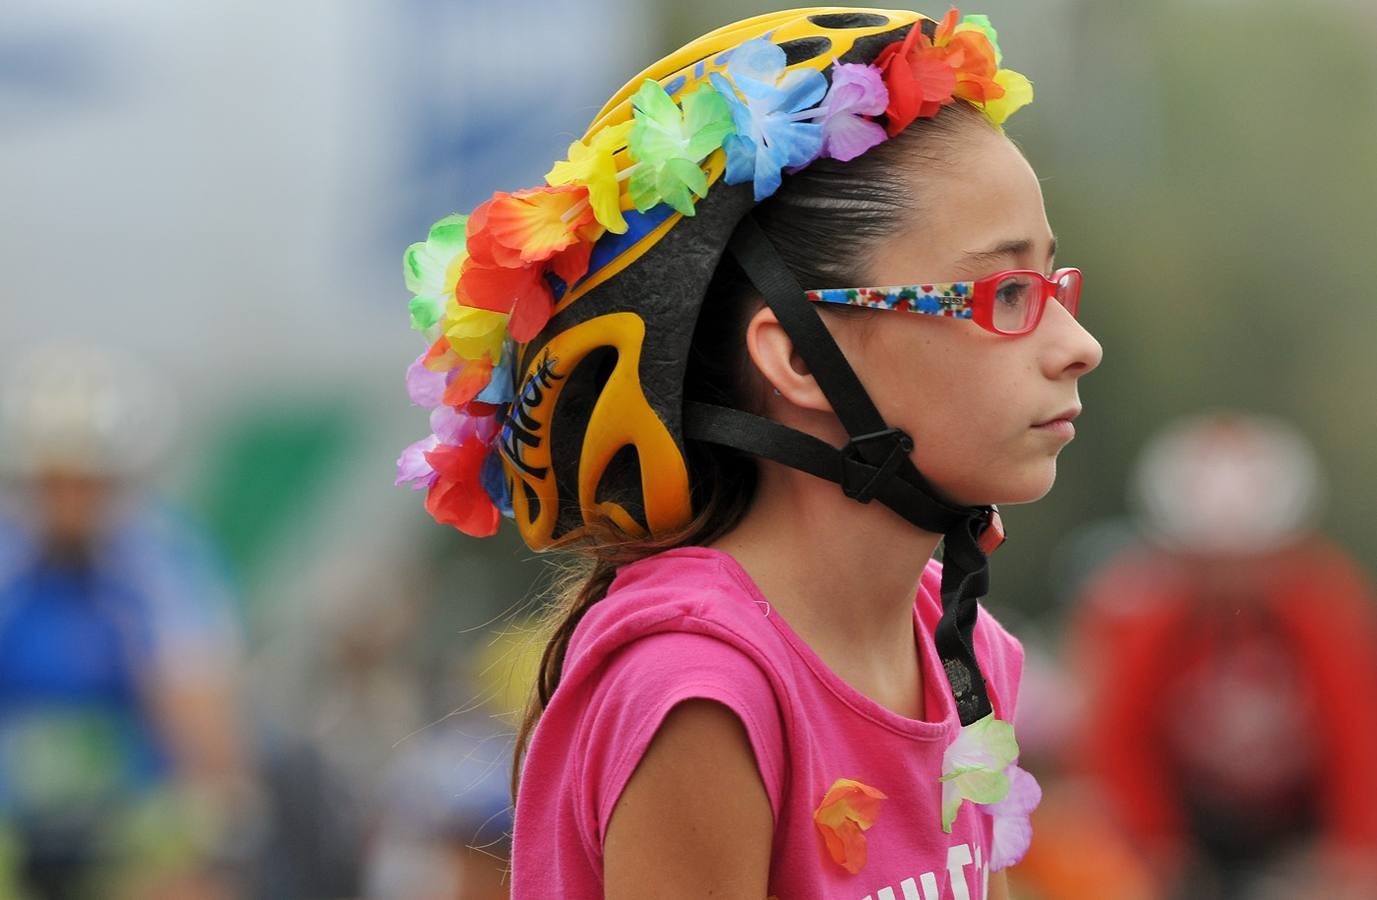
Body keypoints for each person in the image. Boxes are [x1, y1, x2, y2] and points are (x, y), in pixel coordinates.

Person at [395, 8, 1101, 898]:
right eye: (1006, 293)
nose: (1077, 343)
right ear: (801, 356)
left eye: (1052, 285)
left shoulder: (958, 646)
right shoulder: (702, 688)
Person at [1065, 412, 1377, 899]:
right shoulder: (1141, 614)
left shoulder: (1323, 605)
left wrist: (1352, 851)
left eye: (1250, 558)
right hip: (1192, 821)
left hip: (1300, 820)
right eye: (1209, 561)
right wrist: (1156, 844)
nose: (1230, 580)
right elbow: (1117, 738)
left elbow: (1356, 733)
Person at [0, 346, 257, 899]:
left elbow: (201, 706)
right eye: (54, 482)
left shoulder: (161, 559)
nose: (70, 501)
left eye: (87, 482)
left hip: (131, 818)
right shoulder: (9, 556)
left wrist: (219, 811)